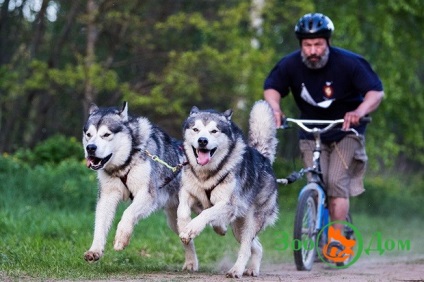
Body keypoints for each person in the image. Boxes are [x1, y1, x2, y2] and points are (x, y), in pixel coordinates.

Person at [263, 13, 384, 235]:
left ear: (327, 42)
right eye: (307, 45)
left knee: (336, 182)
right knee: (316, 181)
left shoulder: (349, 63)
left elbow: (375, 92)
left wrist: (359, 111)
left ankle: (337, 238)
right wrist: (275, 109)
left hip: (346, 131)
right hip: (311, 131)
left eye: (318, 44)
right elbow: (272, 87)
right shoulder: (289, 64)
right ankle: (317, 232)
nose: (313, 51)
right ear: (301, 44)